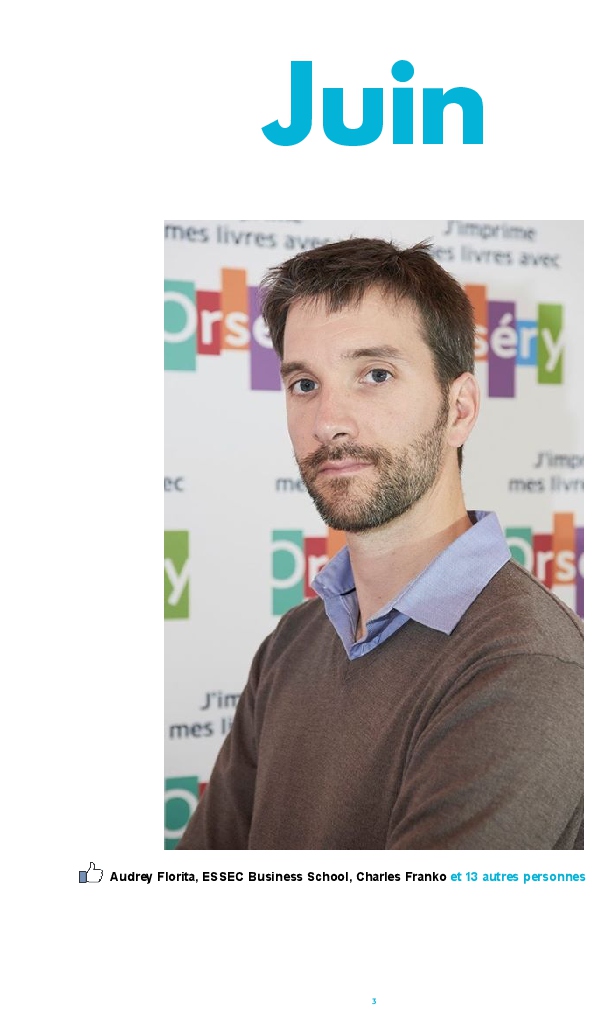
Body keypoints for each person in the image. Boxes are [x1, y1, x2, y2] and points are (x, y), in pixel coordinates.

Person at [177, 237, 583, 851]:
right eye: (304, 384)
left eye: (375, 375)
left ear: (459, 410)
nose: (328, 421)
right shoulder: (293, 642)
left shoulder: (525, 665)